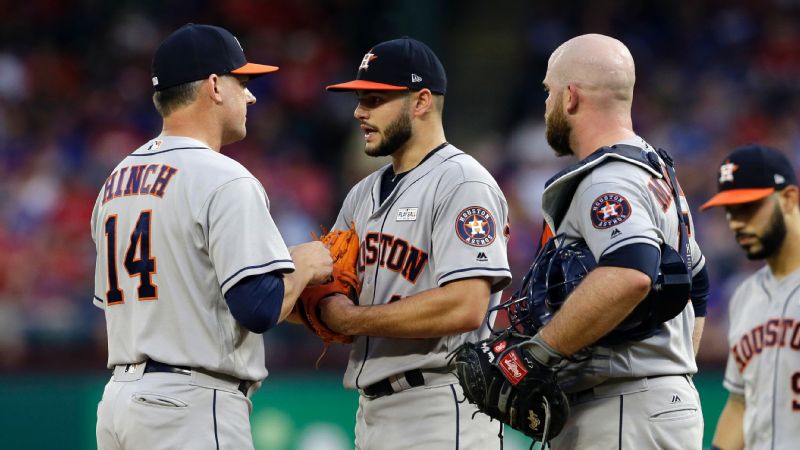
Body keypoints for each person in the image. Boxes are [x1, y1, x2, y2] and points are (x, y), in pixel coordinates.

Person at [91, 23, 332, 450]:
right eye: (244, 82)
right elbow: (257, 307)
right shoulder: (223, 177)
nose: (252, 96)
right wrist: (306, 265)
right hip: (190, 406)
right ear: (215, 86)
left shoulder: (116, 179)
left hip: (117, 405)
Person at [318, 37, 512, 448]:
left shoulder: (462, 181)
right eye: (359, 99)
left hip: (441, 406)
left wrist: (350, 319)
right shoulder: (361, 194)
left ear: (421, 101)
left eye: (373, 99)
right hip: (372, 412)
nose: (359, 112)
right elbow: (333, 292)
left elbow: (466, 304)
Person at [521, 34, 709, 449]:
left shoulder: (608, 178)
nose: (547, 103)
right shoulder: (655, 173)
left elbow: (630, 273)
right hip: (649, 400)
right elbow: (696, 280)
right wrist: (676, 369)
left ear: (571, 96)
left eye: (549, 92)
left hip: (624, 406)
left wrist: (537, 353)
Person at [701, 145, 800, 450]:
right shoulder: (745, 295)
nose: (735, 222)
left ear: (789, 198)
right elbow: (740, 402)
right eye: (730, 211)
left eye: (749, 207)